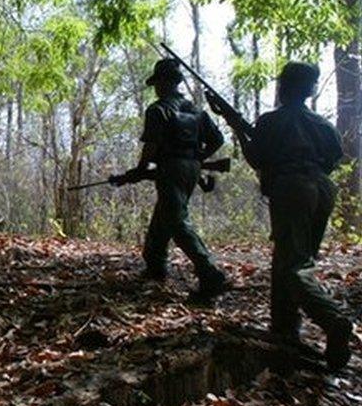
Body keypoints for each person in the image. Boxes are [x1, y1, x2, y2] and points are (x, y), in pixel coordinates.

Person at [206, 61, 353, 370]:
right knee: (292, 259)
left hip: (293, 189)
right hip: (322, 189)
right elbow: (332, 160)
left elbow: (256, 157)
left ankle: (332, 318)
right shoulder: (322, 124)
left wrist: (236, 126)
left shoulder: (272, 121)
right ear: (309, 89)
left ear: (284, 87)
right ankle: (285, 328)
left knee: (294, 267)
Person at [131, 58, 229, 302]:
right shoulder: (196, 110)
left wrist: (140, 169)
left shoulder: (158, 109)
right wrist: (197, 158)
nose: (156, 88)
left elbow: (151, 146)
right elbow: (217, 139)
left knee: (176, 220)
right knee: (166, 212)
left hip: (171, 169)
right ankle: (155, 264)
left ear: (165, 83)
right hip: (191, 169)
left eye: (158, 83)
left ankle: (209, 272)